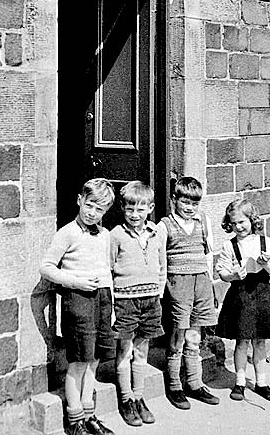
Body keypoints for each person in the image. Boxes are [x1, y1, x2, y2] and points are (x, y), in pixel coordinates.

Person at [39, 178, 116, 435]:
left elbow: (107, 271)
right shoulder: (67, 232)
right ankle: (75, 420)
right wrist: (77, 282)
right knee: (78, 362)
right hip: (78, 302)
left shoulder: (104, 235)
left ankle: (89, 413)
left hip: (102, 301)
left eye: (100, 209)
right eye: (90, 205)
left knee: (94, 360)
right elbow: (47, 268)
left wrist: (111, 306)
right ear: (79, 200)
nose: (93, 213)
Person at [158, 176, 219, 410]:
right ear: (174, 200)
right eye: (185, 202)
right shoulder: (165, 225)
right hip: (178, 283)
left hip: (201, 282)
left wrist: (211, 283)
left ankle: (195, 383)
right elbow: (160, 259)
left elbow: (208, 254)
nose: (189, 208)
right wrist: (163, 288)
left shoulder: (203, 221)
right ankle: (174, 385)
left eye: (194, 203)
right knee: (178, 335)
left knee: (195, 335)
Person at [110, 181, 166, 427]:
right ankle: (126, 399)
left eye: (140, 210)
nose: (135, 215)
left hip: (151, 299)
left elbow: (162, 265)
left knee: (142, 349)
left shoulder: (156, 234)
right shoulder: (116, 235)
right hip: (124, 301)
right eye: (130, 209)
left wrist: (159, 292)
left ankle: (139, 396)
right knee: (125, 350)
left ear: (150, 208)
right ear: (123, 208)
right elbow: (108, 269)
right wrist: (112, 304)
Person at [215, 199, 270, 402]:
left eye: (242, 221)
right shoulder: (229, 245)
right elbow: (222, 272)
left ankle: (261, 382)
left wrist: (267, 263)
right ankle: (240, 382)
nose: (239, 227)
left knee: (259, 340)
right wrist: (233, 275)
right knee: (242, 340)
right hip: (241, 296)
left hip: (262, 294)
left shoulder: (265, 242)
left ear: (252, 220)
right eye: (234, 223)